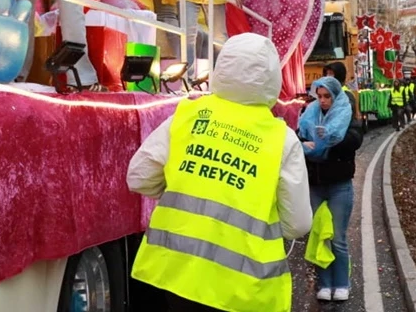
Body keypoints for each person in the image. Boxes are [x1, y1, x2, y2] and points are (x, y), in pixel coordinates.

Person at [127, 33, 311, 312]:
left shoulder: (187, 114)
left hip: (174, 275)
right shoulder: (281, 139)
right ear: (273, 77)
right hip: (243, 288)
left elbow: (138, 177)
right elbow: (297, 224)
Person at [298, 76, 360, 302]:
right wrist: (304, 145)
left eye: (327, 97)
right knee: (319, 237)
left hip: (339, 187)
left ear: (335, 96)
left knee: (338, 238)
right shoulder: (309, 114)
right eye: (319, 96)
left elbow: (354, 140)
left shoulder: (347, 115)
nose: (323, 101)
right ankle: (324, 284)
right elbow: (298, 137)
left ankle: (342, 283)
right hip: (315, 186)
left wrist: (332, 141)